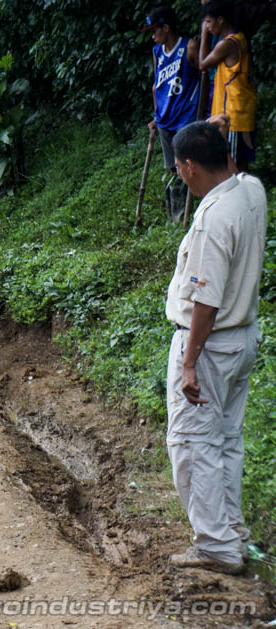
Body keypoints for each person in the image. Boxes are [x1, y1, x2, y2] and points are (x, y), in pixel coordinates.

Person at [165, 121, 266, 576]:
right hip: (241, 338)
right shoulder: (251, 190)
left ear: (189, 166)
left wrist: (189, 363)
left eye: (178, 167)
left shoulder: (213, 219)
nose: (179, 174)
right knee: (225, 439)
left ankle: (216, 545)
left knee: (192, 443)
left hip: (209, 345)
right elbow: (233, 168)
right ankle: (232, 533)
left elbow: (205, 301)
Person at [142, 7, 200, 222]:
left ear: (166, 28)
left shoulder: (189, 47)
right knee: (173, 169)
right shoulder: (157, 52)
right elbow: (156, 85)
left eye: (154, 30)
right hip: (165, 118)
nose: (152, 35)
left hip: (186, 115)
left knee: (188, 162)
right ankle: (177, 214)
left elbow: (203, 76)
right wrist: (156, 114)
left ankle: (191, 211)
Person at [199, 1, 257, 172]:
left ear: (221, 20)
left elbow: (202, 64)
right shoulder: (239, 38)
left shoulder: (227, 44)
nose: (207, 26)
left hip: (232, 115)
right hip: (240, 112)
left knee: (232, 165)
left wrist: (204, 34)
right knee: (239, 164)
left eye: (208, 22)